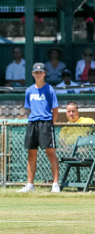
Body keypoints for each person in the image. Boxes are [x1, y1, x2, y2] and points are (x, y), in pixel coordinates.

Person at [17, 63, 60, 193]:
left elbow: (55, 109)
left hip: (46, 122)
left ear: (45, 73)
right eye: (36, 72)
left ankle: (55, 184)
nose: (38, 74)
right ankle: (30, 184)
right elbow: (29, 108)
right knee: (31, 154)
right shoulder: (29, 90)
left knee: (50, 153)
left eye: (40, 72)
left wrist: (50, 124)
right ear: (32, 74)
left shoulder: (50, 89)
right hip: (32, 123)